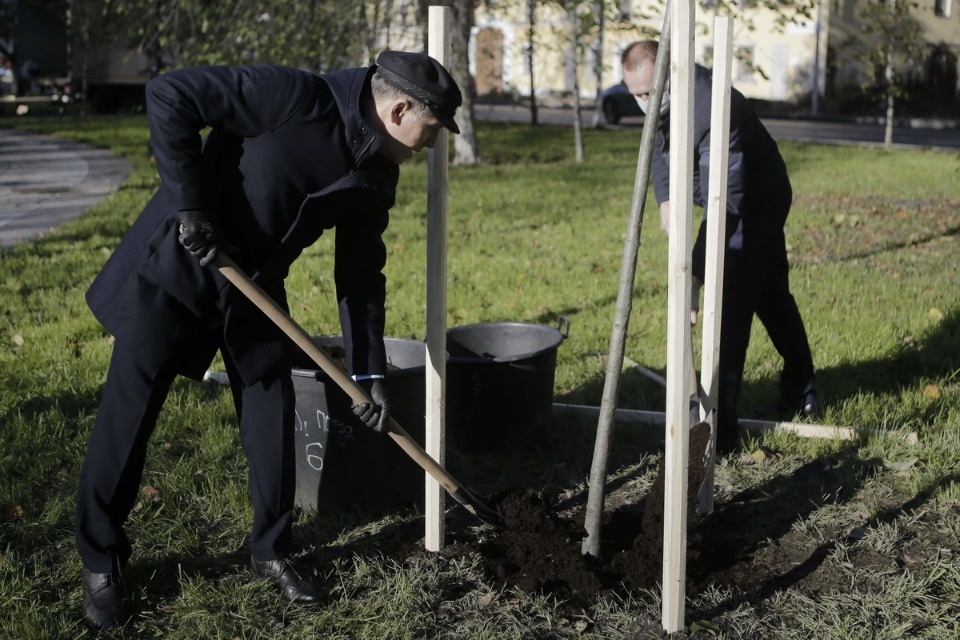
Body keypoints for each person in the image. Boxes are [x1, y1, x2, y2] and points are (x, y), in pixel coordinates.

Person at [76, 51, 462, 630]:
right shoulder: (293, 96)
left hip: (254, 286)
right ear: (400, 109)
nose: (430, 144)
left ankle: (271, 550)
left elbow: (360, 275)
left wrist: (369, 374)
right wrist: (190, 204)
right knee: (129, 418)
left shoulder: (376, 174)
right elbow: (170, 94)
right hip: (182, 265)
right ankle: (100, 561)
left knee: (271, 412)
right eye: (431, 130)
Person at [620, 40, 819, 454]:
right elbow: (658, 144)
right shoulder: (664, 93)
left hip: (753, 202)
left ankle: (719, 429)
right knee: (771, 297)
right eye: (636, 94)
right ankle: (803, 391)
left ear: (669, 73)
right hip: (731, 198)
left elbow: (724, 201)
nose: (643, 102)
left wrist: (695, 272)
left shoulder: (713, 106)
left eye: (648, 92)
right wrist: (665, 199)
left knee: (728, 306)